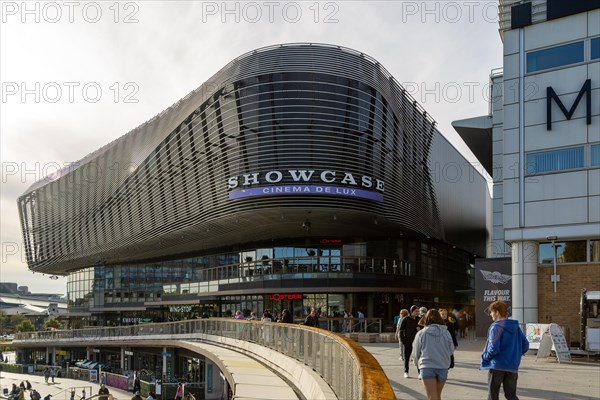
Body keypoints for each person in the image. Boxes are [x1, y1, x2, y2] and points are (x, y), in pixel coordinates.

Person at [481, 301, 529, 400]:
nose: (490, 314)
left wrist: (485, 357)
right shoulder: (515, 327)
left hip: (497, 365)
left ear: (497, 312)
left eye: (491, 312)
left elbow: (494, 348)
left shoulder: (496, 327)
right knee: (511, 396)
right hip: (512, 366)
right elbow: (526, 344)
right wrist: (515, 355)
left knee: (493, 396)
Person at [412, 309, 455, 400]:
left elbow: (415, 353)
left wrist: (417, 364)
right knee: (437, 396)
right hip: (443, 367)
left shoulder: (421, 333)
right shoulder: (446, 333)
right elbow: (451, 350)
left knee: (432, 397)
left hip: (427, 367)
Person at [399, 305, 420, 378]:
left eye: (418, 311)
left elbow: (424, 329)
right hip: (408, 341)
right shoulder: (406, 319)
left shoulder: (419, 319)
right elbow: (401, 330)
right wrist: (403, 340)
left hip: (417, 342)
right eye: (416, 311)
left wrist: (419, 329)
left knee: (418, 357)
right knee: (407, 357)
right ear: (411, 311)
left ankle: (420, 372)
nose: (417, 313)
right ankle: (406, 371)